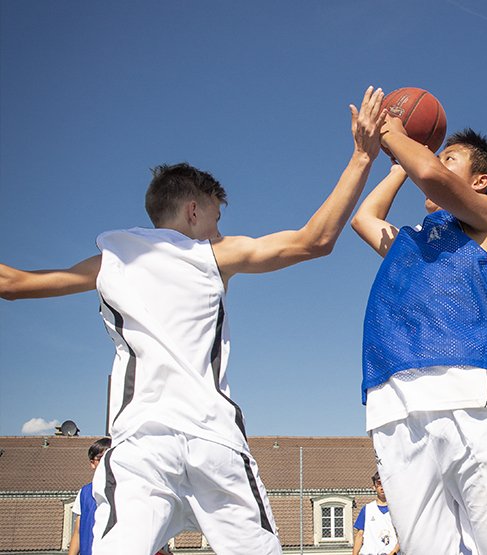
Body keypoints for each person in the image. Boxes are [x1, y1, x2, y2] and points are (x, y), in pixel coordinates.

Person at [0, 86, 387, 555]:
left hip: (143, 445)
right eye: (217, 216)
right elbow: (315, 240)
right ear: (193, 209)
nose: (221, 228)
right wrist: (362, 157)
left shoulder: (113, 259)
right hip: (213, 442)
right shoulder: (215, 253)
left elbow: (14, 283)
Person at [351, 123, 487, 554]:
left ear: (480, 182)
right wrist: (399, 164)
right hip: (395, 401)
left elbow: (432, 175)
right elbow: (364, 219)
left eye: (447, 156)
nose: (434, 162)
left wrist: (395, 135)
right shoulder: (414, 243)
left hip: (474, 394)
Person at [68, 438, 111, 555]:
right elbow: (78, 531)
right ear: (92, 463)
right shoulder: (84, 493)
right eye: (100, 458)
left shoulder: (125, 490)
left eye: (109, 456)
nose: (105, 462)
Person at [352, 471, 399, 555]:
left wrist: (393, 552)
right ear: (374, 487)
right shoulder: (367, 509)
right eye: (379, 484)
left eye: (384, 484)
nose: (382, 487)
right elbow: (360, 534)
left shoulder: (397, 510)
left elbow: (403, 536)